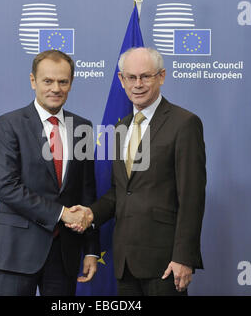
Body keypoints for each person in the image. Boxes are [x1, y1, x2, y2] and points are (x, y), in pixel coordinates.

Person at [67, 47, 206, 296]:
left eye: (146, 76)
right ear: (121, 80)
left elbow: (192, 197)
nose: (138, 84)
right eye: (131, 77)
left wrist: (184, 257)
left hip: (165, 263)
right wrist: (90, 213)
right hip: (125, 262)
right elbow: (120, 192)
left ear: (161, 77)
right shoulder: (121, 127)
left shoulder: (184, 123)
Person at [0, 50, 100, 296]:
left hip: (64, 254)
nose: (56, 88)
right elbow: (6, 187)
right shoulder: (9, 124)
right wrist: (62, 214)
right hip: (17, 251)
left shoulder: (83, 127)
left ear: (71, 83)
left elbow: (87, 191)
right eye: (48, 81)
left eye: (63, 81)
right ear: (33, 81)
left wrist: (91, 249)